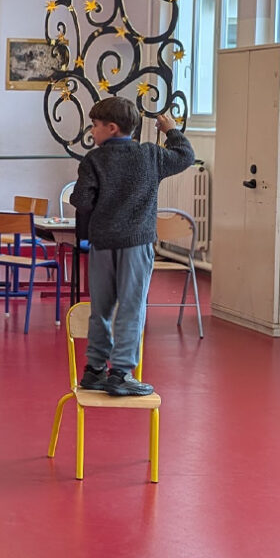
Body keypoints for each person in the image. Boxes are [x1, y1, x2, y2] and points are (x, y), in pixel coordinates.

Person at [70, 97, 195, 396]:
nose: (92, 131)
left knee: (99, 308)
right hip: (136, 244)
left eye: (95, 126)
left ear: (111, 128)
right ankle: (122, 373)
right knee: (131, 307)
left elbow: (81, 201)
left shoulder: (93, 160)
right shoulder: (150, 156)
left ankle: (95, 368)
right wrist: (171, 130)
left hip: (102, 244)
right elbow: (185, 155)